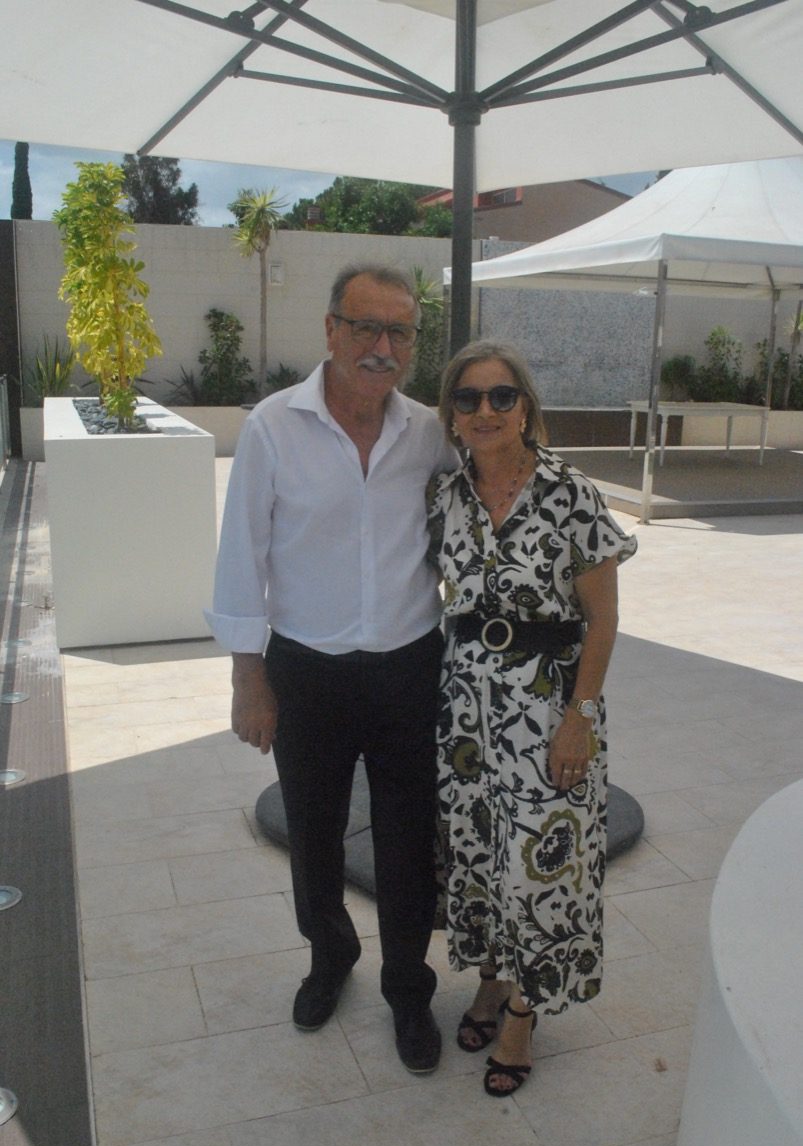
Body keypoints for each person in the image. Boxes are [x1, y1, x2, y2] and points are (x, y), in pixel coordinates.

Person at [205, 264, 458, 1074]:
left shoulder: (430, 432)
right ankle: (330, 954)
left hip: (410, 667)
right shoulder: (274, 427)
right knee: (312, 831)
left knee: (407, 838)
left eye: (399, 332)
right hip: (306, 669)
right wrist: (248, 678)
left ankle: (408, 987)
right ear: (330, 329)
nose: (382, 346)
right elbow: (240, 557)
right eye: (365, 327)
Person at [426, 340, 637, 1097]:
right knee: (479, 854)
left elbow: (603, 620)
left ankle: (523, 1010)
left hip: (548, 711)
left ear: (525, 407)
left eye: (500, 396)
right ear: (451, 415)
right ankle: (490, 975)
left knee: (539, 866)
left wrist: (580, 717)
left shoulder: (570, 493)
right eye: (468, 398)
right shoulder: (445, 498)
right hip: (466, 718)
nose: (484, 410)